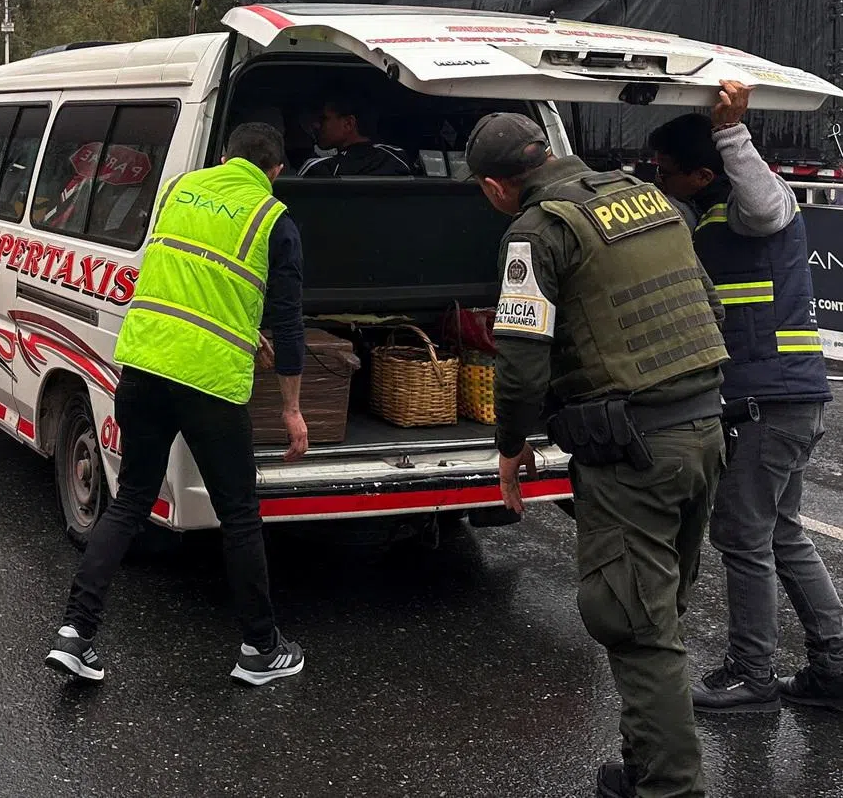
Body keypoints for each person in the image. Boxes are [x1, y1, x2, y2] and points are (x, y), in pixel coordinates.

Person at [467, 111, 728, 798]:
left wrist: (511, 445)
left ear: (496, 187)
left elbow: (520, 368)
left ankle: (670, 787)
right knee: (656, 609)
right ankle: (643, 762)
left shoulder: (536, 232)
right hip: (704, 431)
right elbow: (710, 307)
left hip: (635, 451)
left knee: (636, 625)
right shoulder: (651, 198)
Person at [45, 121, 308, 686]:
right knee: (239, 514)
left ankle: (75, 632)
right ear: (276, 172)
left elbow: (196, 278)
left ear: (223, 157)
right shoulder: (273, 219)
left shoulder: (178, 192)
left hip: (142, 365)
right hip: (209, 383)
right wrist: (290, 408)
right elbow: (287, 320)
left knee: (130, 499)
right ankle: (261, 649)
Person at [651, 82, 843, 715]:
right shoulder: (711, 213)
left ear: (705, 171)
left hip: (770, 402)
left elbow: (762, 205)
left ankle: (752, 675)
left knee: (742, 536)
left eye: (666, 170)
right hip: (783, 399)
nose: (659, 178)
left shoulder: (755, 205)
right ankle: (834, 667)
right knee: (782, 532)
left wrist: (734, 133)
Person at [298, 93, 410, 176]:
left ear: (348, 123)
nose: (316, 125)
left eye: (323, 119)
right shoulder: (395, 157)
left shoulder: (321, 169)